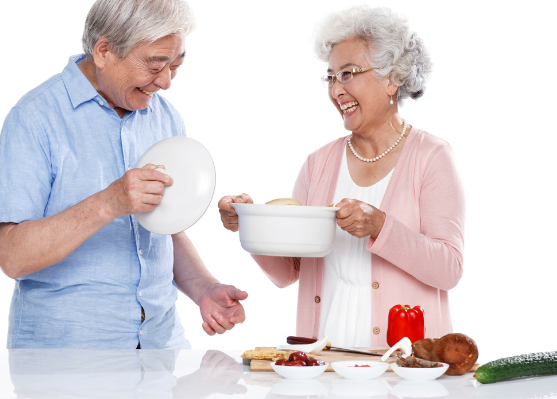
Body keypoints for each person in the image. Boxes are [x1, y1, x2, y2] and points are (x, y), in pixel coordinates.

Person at [0, 0, 247, 349]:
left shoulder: (165, 117)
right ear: (104, 51)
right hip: (66, 357)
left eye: (175, 66)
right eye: (155, 65)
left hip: (162, 347)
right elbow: (12, 257)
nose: (165, 82)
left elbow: (164, 231)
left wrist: (204, 289)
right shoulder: (33, 118)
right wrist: (108, 203)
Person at [219, 6, 464, 348]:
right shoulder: (318, 163)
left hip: (402, 367)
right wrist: (250, 223)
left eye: (348, 74)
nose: (336, 91)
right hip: (323, 364)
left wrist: (381, 226)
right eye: (331, 77)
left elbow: (449, 269)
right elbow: (289, 272)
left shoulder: (432, 156)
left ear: (392, 77)